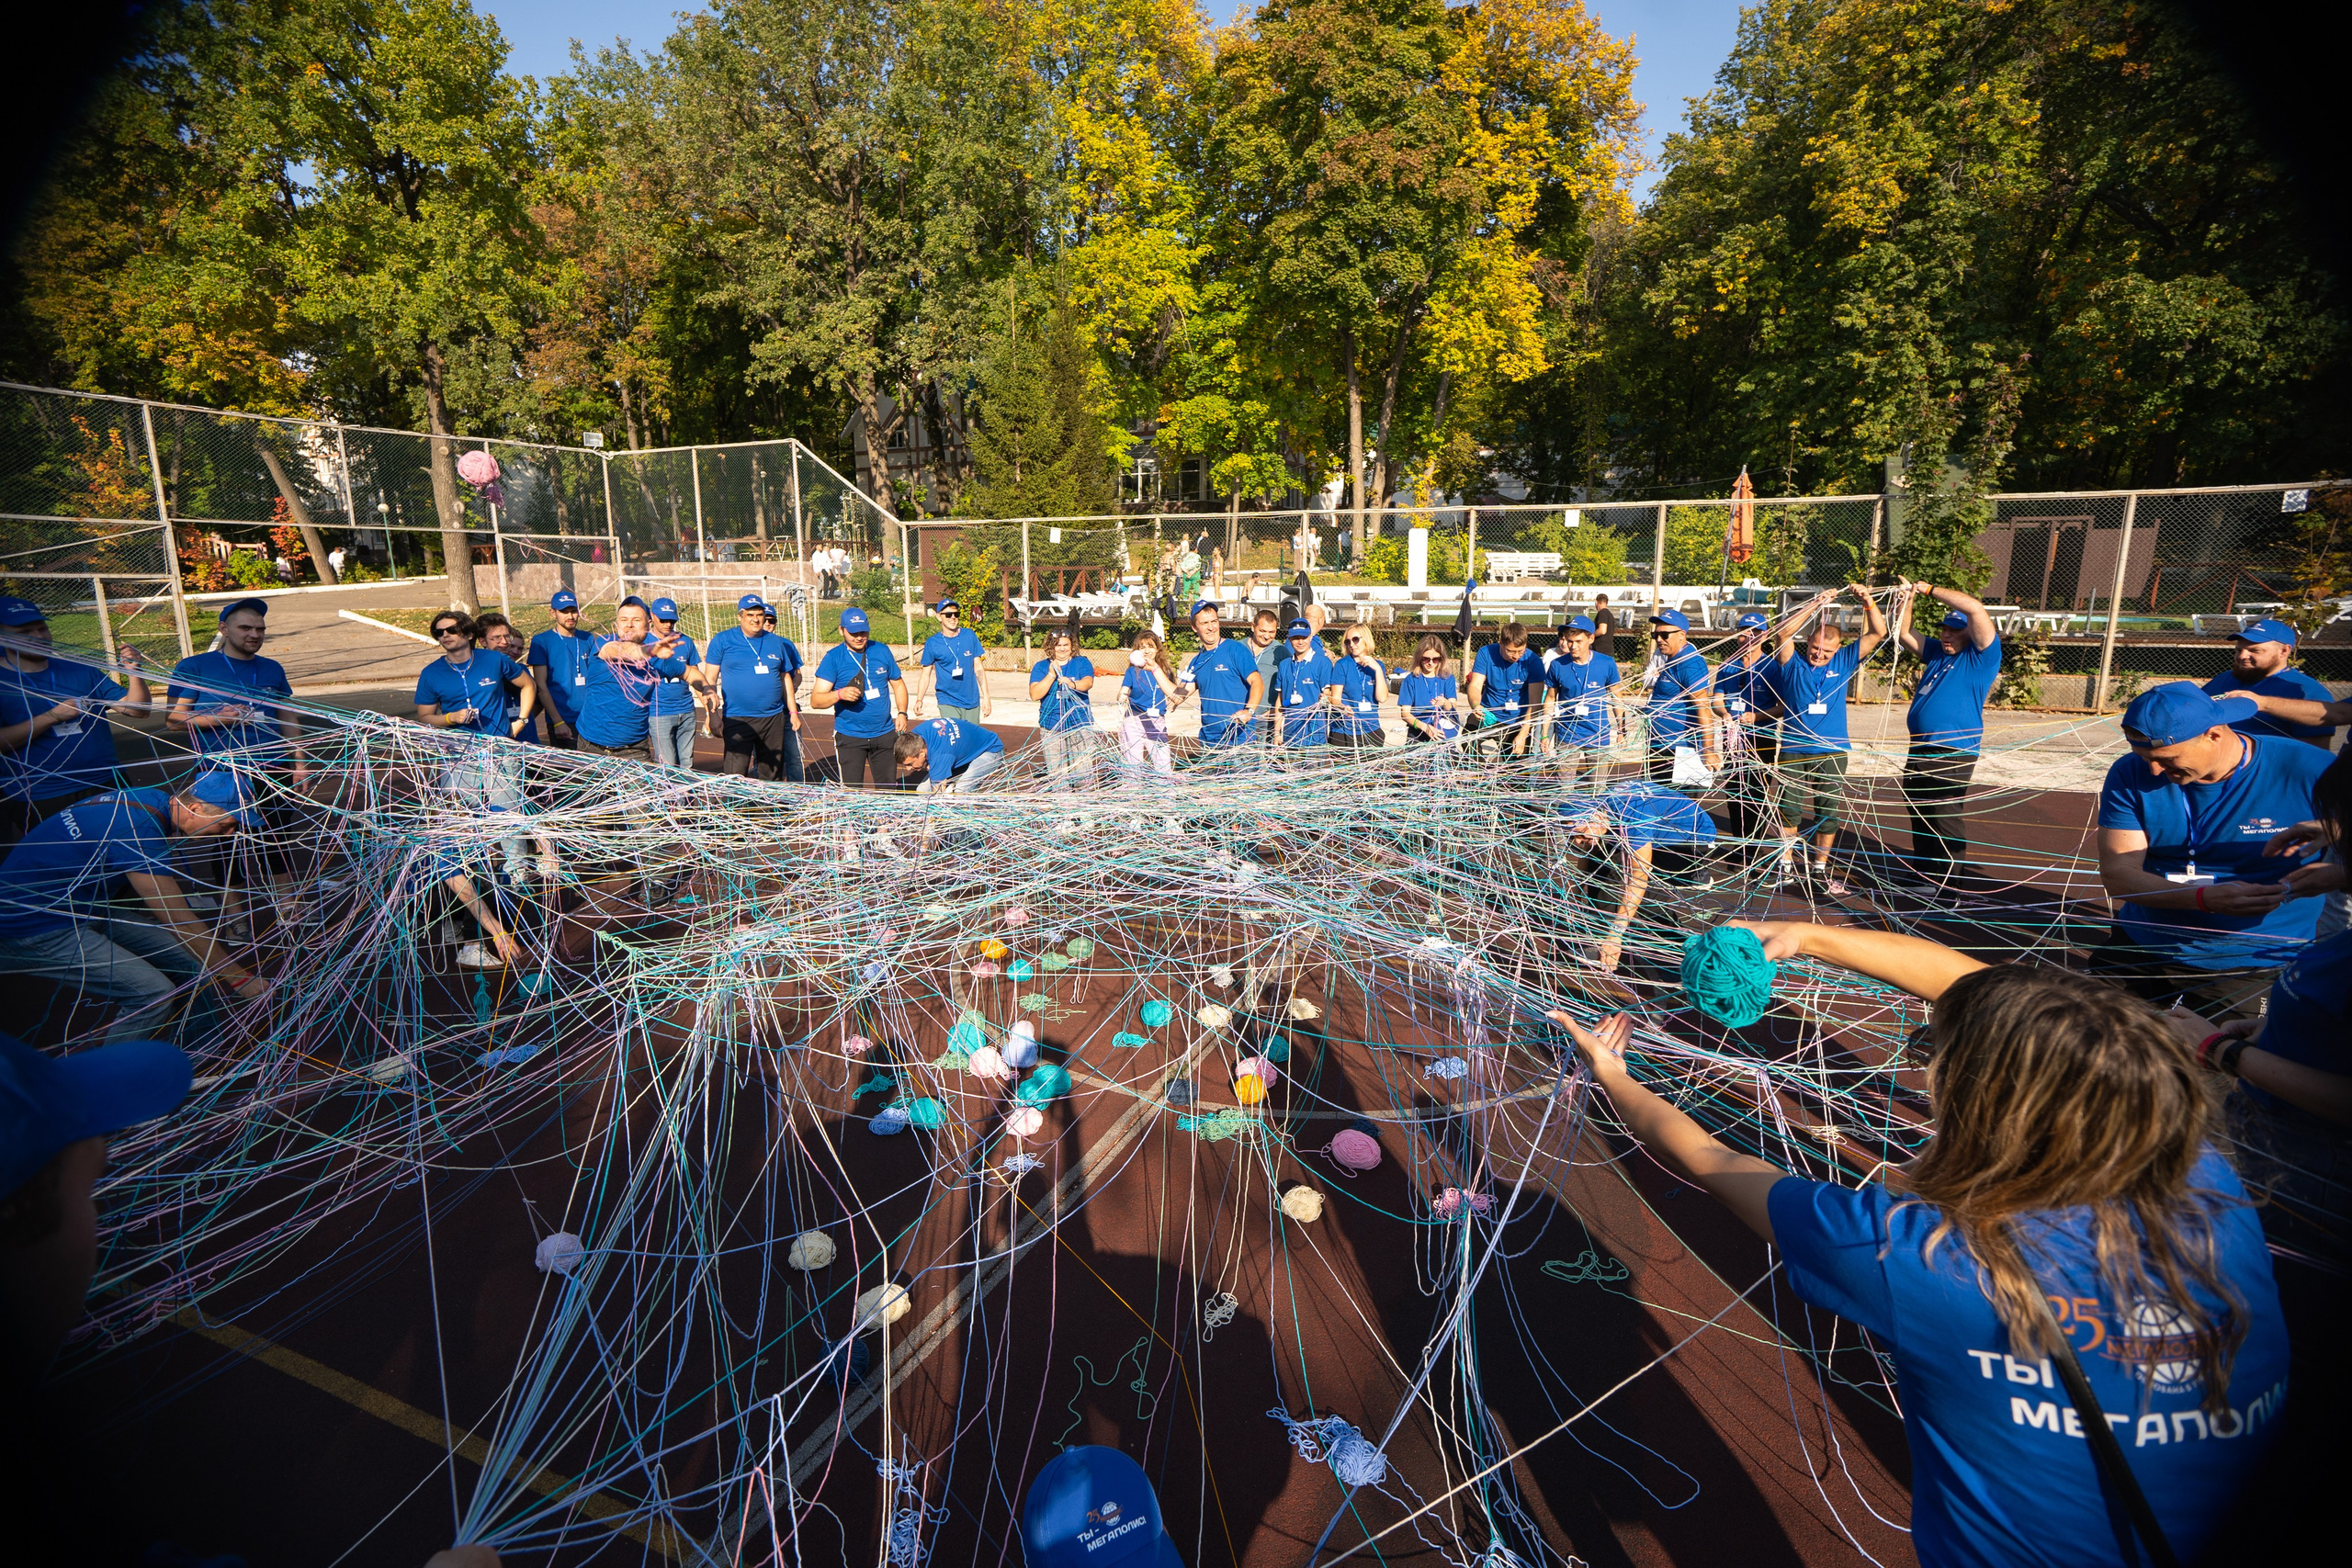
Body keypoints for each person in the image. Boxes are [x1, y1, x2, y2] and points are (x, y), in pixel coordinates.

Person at [1546, 921, 2287, 1568]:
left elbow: (1714, 1159)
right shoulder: (2211, 1182)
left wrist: (1615, 1075)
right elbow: (2000, 996)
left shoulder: (1919, 1253)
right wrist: (1807, 935)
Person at [2093, 682, 2331, 1017]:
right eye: (2144, 758)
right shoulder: (2130, 772)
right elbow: (2119, 875)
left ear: (2214, 734)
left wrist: (2337, 832)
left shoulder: (2310, 768)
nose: (2155, 771)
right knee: (2084, 1047)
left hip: (2251, 960)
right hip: (2145, 942)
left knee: (2207, 1063)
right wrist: (2203, 898)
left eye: (2166, 759)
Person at [0, 777, 267, 1043]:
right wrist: (237, 978)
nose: (231, 833)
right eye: (227, 824)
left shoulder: (150, 798)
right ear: (195, 810)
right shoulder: (138, 831)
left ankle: (196, 1054)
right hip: (36, 924)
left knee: (190, 964)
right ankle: (112, 1082)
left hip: (84, 908)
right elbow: (179, 920)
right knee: (152, 994)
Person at [1759, 586, 1885, 892]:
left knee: (1827, 810)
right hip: (1794, 749)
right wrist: (1815, 604)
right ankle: (1786, 864)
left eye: (1826, 652)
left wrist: (1868, 602)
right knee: (1789, 807)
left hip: (1832, 751)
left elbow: (1877, 633)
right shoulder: (1793, 664)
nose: (1819, 655)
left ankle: (1819, 867)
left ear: (1837, 649)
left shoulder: (1842, 663)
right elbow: (1783, 633)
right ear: (1809, 643)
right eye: (1815, 648)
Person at [0, 596, 152, 841]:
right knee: (67, 867)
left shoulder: (80, 669)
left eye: (42, 628)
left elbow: (137, 711)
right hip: (41, 794)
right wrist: (51, 716)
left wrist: (133, 672)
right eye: (25, 631)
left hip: (106, 782)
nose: (39, 637)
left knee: (126, 854)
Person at [1893, 581, 2002, 889]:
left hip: (1951, 750)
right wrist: (1908, 598)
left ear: (1970, 634)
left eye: (1955, 630)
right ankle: (1926, 874)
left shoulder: (1980, 658)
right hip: (1921, 747)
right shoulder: (1938, 655)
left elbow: (1975, 609)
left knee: (1943, 813)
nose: (1947, 634)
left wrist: (1927, 589)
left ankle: (1949, 882)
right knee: (1919, 808)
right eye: (1944, 629)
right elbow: (1904, 633)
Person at [1556, 783, 1720, 971]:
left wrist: (1616, 934)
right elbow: (1589, 852)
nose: (1578, 841)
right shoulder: (1598, 811)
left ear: (1595, 818)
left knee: (1641, 902)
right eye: (1571, 836)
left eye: (1579, 833)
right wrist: (1576, 893)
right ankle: (1602, 934)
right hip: (1659, 827)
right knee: (1601, 869)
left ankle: (1697, 953)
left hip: (1690, 844)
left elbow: (1638, 876)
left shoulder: (1631, 819)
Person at [164, 598, 306, 782]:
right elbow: (173, 721)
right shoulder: (193, 667)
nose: (255, 635)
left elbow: (286, 717)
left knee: (280, 812)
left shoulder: (272, 667)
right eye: (245, 628)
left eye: (260, 629)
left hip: (275, 767)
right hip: (220, 771)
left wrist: (301, 764)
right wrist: (218, 719)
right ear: (224, 629)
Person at [702, 592, 804, 783]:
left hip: (772, 718)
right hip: (737, 717)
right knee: (735, 774)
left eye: (759, 614)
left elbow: (786, 678)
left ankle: (768, 811)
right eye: (750, 615)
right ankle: (736, 812)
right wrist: (712, 715)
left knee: (771, 774)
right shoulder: (723, 640)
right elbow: (709, 680)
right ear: (740, 616)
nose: (755, 619)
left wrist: (793, 712)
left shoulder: (776, 642)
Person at [574, 599, 687, 761]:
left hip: (634, 750)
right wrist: (650, 650)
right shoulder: (604, 643)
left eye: (636, 620)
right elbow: (623, 651)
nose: (629, 625)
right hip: (591, 747)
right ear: (617, 624)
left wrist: (706, 689)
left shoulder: (658, 658)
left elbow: (689, 673)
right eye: (624, 620)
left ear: (648, 624)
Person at [809, 606, 909, 788]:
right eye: (853, 633)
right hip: (850, 736)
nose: (859, 637)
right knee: (851, 792)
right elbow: (815, 700)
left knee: (888, 790)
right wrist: (839, 694)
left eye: (863, 631)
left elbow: (898, 684)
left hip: (884, 733)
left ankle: (885, 817)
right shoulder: (833, 658)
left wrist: (902, 712)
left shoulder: (881, 650)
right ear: (841, 630)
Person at [1711, 611, 1780, 865]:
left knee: (1757, 792)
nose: (1748, 637)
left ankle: (1754, 847)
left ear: (1764, 636)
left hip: (1761, 737)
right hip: (1732, 735)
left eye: (1755, 633)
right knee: (1734, 791)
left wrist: (1756, 716)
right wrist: (1724, 713)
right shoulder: (1727, 666)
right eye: (1744, 633)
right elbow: (1716, 699)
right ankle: (1740, 845)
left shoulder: (1771, 666)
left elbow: (1783, 705)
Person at [2202, 618, 2335, 748]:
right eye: (2238, 650)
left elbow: (2315, 754)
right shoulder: (2225, 679)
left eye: (2255, 651)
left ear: (2283, 651)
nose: (2242, 656)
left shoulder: (2306, 691)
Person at [413, 610, 537, 740]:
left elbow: (529, 685)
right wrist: (451, 718)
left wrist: (522, 721)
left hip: (500, 746)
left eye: (452, 630)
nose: (445, 635)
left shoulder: (494, 659)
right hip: (460, 750)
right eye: (440, 632)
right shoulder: (430, 673)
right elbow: (424, 717)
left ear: (470, 634)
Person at [1640, 608, 1724, 789]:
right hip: (1659, 745)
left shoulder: (1690, 663)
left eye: (1664, 635)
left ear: (1681, 635)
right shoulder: (1671, 659)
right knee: (1656, 804)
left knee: (1677, 809)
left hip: (1679, 750)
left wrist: (1708, 750)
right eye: (1656, 635)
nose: (1659, 640)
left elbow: (1703, 708)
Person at [1540, 615, 1617, 788]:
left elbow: (1616, 697)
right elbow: (1550, 698)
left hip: (1598, 734)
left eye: (1578, 641)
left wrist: (1622, 729)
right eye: (1570, 641)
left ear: (1591, 638)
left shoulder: (1606, 663)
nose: (1572, 646)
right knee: (1564, 788)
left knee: (1598, 787)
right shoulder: (1557, 665)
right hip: (1568, 734)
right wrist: (1545, 733)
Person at [1178, 601, 1265, 754]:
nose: (1211, 627)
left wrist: (1249, 711)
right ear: (1194, 627)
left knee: (1243, 778)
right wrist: (1154, 668)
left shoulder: (1235, 649)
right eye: (1205, 623)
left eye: (1214, 621)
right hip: (1211, 740)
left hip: (1240, 738)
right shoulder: (1196, 661)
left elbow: (1257, 682)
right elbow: (1178, 696)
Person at [1028, 629, 1098, 792]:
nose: (1062, 648)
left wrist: (1072, 684)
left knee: (1082, 775)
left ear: (1072, 646)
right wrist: (1051, 675)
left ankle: (1083, 811)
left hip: (1079, 725)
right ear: (1050, 647)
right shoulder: (1041, 667)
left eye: (1065, 645)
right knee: (1058, 777)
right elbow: (1034, 694)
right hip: (1051, 727)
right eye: (1058, 645)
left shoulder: (1081, 662)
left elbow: (1088, 682)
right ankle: (1063, 814)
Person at [526, 590, 596, 749]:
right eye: (564, 612)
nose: (570, 616)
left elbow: (595, 677)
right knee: (567, 771)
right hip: (563, 720)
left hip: (589, 719)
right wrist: (558, 722)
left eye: (573, 611)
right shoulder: (542, 641)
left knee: (591, 770)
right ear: (553, 613)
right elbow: (541, 685)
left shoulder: (588, 638)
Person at [1466, 622, 1543, 761]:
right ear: (1501, 643)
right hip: (1489, 714)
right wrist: (1476, 705)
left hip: (1517, 720)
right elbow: (1475, 686)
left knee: (1515, 769)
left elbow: (1535, 702)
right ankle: (1482, 774)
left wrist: (1524, 732)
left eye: (1521, 651)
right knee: (1468, 739)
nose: (1516, 656)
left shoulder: (1533, 661)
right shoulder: (1485, 653)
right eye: (1511, 651)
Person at [643, 597, 704, 771]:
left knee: (687, 763)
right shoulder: (643, 644)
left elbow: (696, 676)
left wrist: (708, 709)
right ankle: (668, 798)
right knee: (666, 765)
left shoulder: (686, 642)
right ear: (652, 616)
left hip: (686, 711)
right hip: (659, 712)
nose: (668, 624)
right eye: (663, 619)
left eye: (672, 620)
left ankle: (685, 798)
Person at [916, 599, 991, 723]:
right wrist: (919, 699)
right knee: (955, 737)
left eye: (956, 614)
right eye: (948, 615)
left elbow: (978, 667)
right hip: (947, 700)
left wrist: (986, 696)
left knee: (971, 739)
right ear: (939, 617)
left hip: (971, 699)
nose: (953, 618)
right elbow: (925, 674)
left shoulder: (969, 635)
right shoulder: (933, 643)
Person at [1118, 631, 1179, 778]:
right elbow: (1124, 689)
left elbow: (1176, 691)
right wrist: (1122, 695)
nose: (1146, 650)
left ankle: (1167, 798)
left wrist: (1175, 702)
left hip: (1157, 722)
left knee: (1163, 763)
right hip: (1134, 720)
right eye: (1142, 647)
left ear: (1157, 648)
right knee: (1133, 765)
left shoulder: (1165, 671)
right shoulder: (1132, 671)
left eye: (1150, 646)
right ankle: (1134, 795)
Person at [1271, 618, 1336, 754]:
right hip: (1290, 734)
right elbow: (1280, 701)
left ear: (1311, 637)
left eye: (1304, 637)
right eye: (1296, 638)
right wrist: (1277, 732)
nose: (1300, 642)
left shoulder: (1322, 663)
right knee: (1292, 773)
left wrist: (1326, 697)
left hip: (1314, 734)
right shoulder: (1284, 665)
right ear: (1289, 639)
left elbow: (1329, 693)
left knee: (1314, 774)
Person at [895, 716, 1006, 795]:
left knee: (961, 791)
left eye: (910, 764)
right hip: (961, 754)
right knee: (923, 790)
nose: (908, 769)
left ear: (922, 753)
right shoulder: (916, 736)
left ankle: (960, 827)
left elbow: (938, 795)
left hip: (989, 750)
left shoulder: (940, 756)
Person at [473, 614, 538, 744]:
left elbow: (534, 693)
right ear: (482, 641)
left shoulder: (520, 670)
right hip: (495, 739)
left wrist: (522, 721)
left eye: (507, 636)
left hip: (526, 737)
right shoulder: (475, 671)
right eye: (497, 638)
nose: (505, 642)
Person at [1328, 626, 1388, 754]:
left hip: (1370, 728)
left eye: (1355, 639)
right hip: (1345, 730)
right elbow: (1335, 699)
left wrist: (1377, 670)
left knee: (1371, 773)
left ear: (1365, 639)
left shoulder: (1377, 665)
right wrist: (1343, 707)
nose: (1352, 645)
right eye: (1347, 641)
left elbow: (1382, 698)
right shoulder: (1342, 665)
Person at [1396, 634, 1464, 744]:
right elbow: (1405, 714)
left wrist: (1445, 703)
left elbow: (1453, 706)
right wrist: (1425, 727)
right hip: (1418, 732)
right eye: (1426, 659)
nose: (1430, 663)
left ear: (1441, 658)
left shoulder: (1448, 678)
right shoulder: (1411, 680)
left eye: (1435, 659)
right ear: (1419, 658)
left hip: (1442, 732)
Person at [1244, 608, 1283, 750]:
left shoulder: (1281, 651)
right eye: (1262, 631)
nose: (1267, 636)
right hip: (1242, 716)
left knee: (1263, 764)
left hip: (1266, 719)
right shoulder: (1238, 647)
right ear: (1253, 626)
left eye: (1271, 632)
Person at [1590, 593, 1618, 661]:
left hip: (1601, 650)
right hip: (1607, 650)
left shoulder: (1602, 613)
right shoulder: (1609, 614)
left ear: (1596, 602)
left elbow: (1602, 630)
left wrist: (1591, 636)